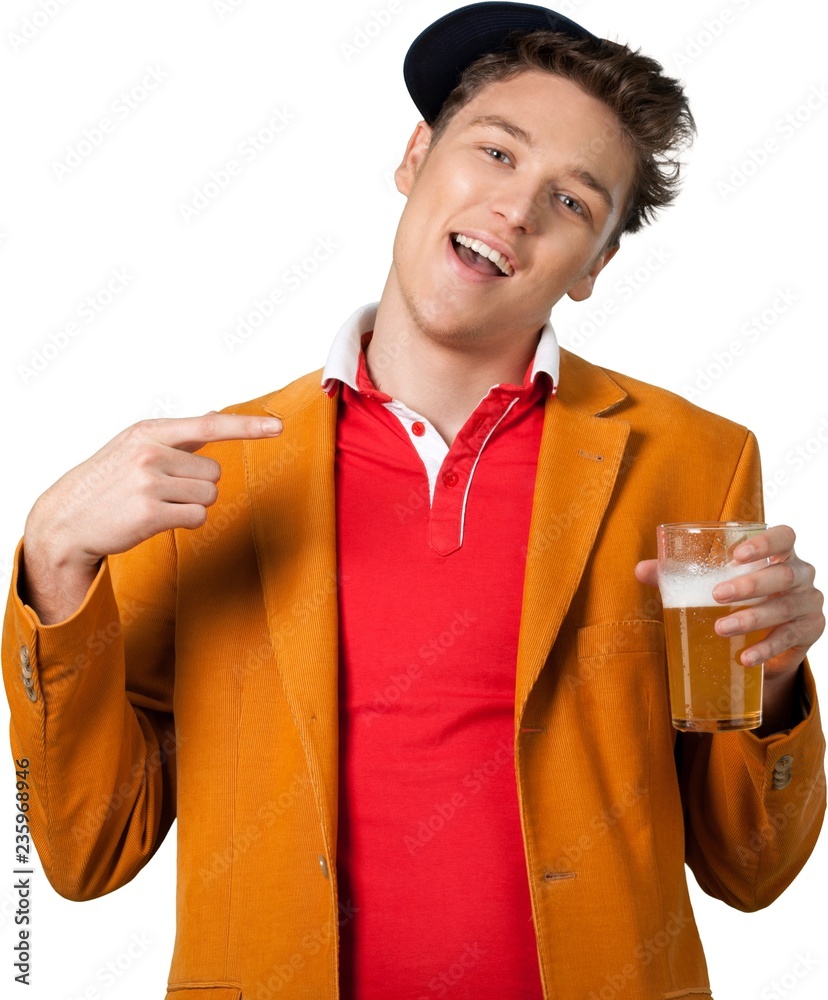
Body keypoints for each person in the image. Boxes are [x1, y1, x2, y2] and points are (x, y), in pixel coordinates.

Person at [2, 2, 825, 998]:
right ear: (416, 154)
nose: (517, 209)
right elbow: (90, 850)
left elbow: (751, 869)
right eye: (497, 152)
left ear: (598, 266)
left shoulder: (695, 461)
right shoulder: (211, 475)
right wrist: (51, 562)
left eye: (573, 203)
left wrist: (775, 686)